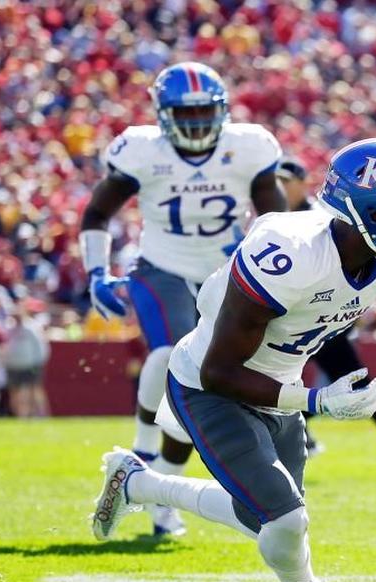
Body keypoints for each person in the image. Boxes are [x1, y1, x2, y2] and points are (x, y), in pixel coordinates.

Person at [90, 138, 376, 582]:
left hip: (277, 386)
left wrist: (303, 395)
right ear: (373, 213)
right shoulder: (291, 253)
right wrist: (316, 401)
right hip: (208, 386)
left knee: (259, 515)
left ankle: (137, 483)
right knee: (285, 517)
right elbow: (220, 371)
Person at [79, 62, 286, 535]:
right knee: (169, 352)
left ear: (223, 112)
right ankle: (143, 450)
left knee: (201, 385)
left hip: (227, 273)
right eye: (183, 114)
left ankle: (159, 490)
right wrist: (96, 272)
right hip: (162, 265)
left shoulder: (248, 146)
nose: (194, 124)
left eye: (202, 113)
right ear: (163, 115)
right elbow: (97, 212)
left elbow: (279, 221)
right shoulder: (142, 150)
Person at [276, 158, 376, 475]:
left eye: (285, 180)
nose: (279, 187)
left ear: (301, 183)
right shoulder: (279, 216)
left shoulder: (319, 216)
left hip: (324, 317)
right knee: (340, 384)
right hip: (302, 315)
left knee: (349, 386)